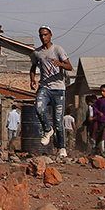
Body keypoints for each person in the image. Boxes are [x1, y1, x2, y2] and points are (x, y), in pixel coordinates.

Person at [30, 26, 73, 158]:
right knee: (38, 108)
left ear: (50, 35)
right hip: (45, 87)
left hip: (59, 88)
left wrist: (60, 65)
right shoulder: (37, 53)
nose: (43, 37)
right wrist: (33, 80)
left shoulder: (57, 49)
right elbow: (32, 68)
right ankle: (47, 130)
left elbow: (70, 67)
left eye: (45, 35)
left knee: (58, 120)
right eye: (41, 35)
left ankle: (61, 147)